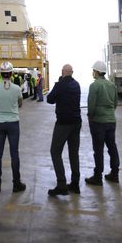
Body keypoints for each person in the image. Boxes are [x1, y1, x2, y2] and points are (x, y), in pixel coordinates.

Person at [0, 61, 26, 193]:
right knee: (14, 153)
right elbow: (20, 102)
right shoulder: (17, 88)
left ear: (0, 73)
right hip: (13, 123)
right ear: (11, 74)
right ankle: (16, 183)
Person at [47, 64, 82, 196]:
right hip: (76, 122)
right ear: (71, 73)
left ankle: (61, 184)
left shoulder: (60, 85)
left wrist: (58, 83)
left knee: (55, 152)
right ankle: (75, 184)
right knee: (74, 153)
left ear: (63, 72)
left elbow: (50, 99)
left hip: (63, 124)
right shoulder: (77, 85)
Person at [85, 60, 120, 186]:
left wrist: (91, 116)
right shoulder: (112, 85)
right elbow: (115, 103)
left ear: (96, 72)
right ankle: (114, 174)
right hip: (111, 121)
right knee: (112, 147)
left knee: (98, 149)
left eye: (93, 70)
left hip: (99, 122)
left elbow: (91, 106)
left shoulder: (94, 86)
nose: (92, 73)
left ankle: (97, 177)